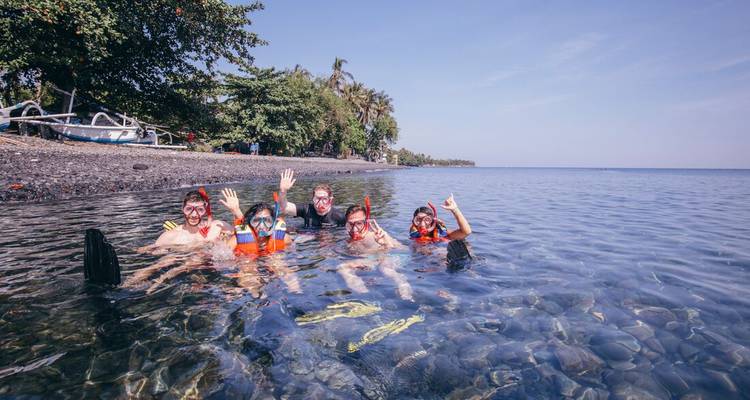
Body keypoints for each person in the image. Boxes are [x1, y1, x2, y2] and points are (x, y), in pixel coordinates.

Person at [337, 197, 413, 300]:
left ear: (366, 222)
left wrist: (386, 242)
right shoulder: (348, 240)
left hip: (388, 258)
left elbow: (405, 250)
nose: (354, 229)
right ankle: (365, 295)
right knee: (343, 267)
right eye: (351, 224)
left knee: (385, 268)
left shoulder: (375, 235)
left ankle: (403, 286)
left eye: (359, 223)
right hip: (371, 261)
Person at [152, 188, 233, 248]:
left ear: (205, 211)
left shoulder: (217, 227)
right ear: (182, 209)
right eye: (189, 209)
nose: (194, 214)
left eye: (200, 210)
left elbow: (243, 233)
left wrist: (236, 210)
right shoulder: (171, 236)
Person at [277, 169, 346, 228]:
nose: (320, 203)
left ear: (330, 200)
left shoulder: (339, 217)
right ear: (313, 199)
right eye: (317, 199)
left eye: (324, 199)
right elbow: (284, 208)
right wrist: (283, 190)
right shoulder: (307, 209)